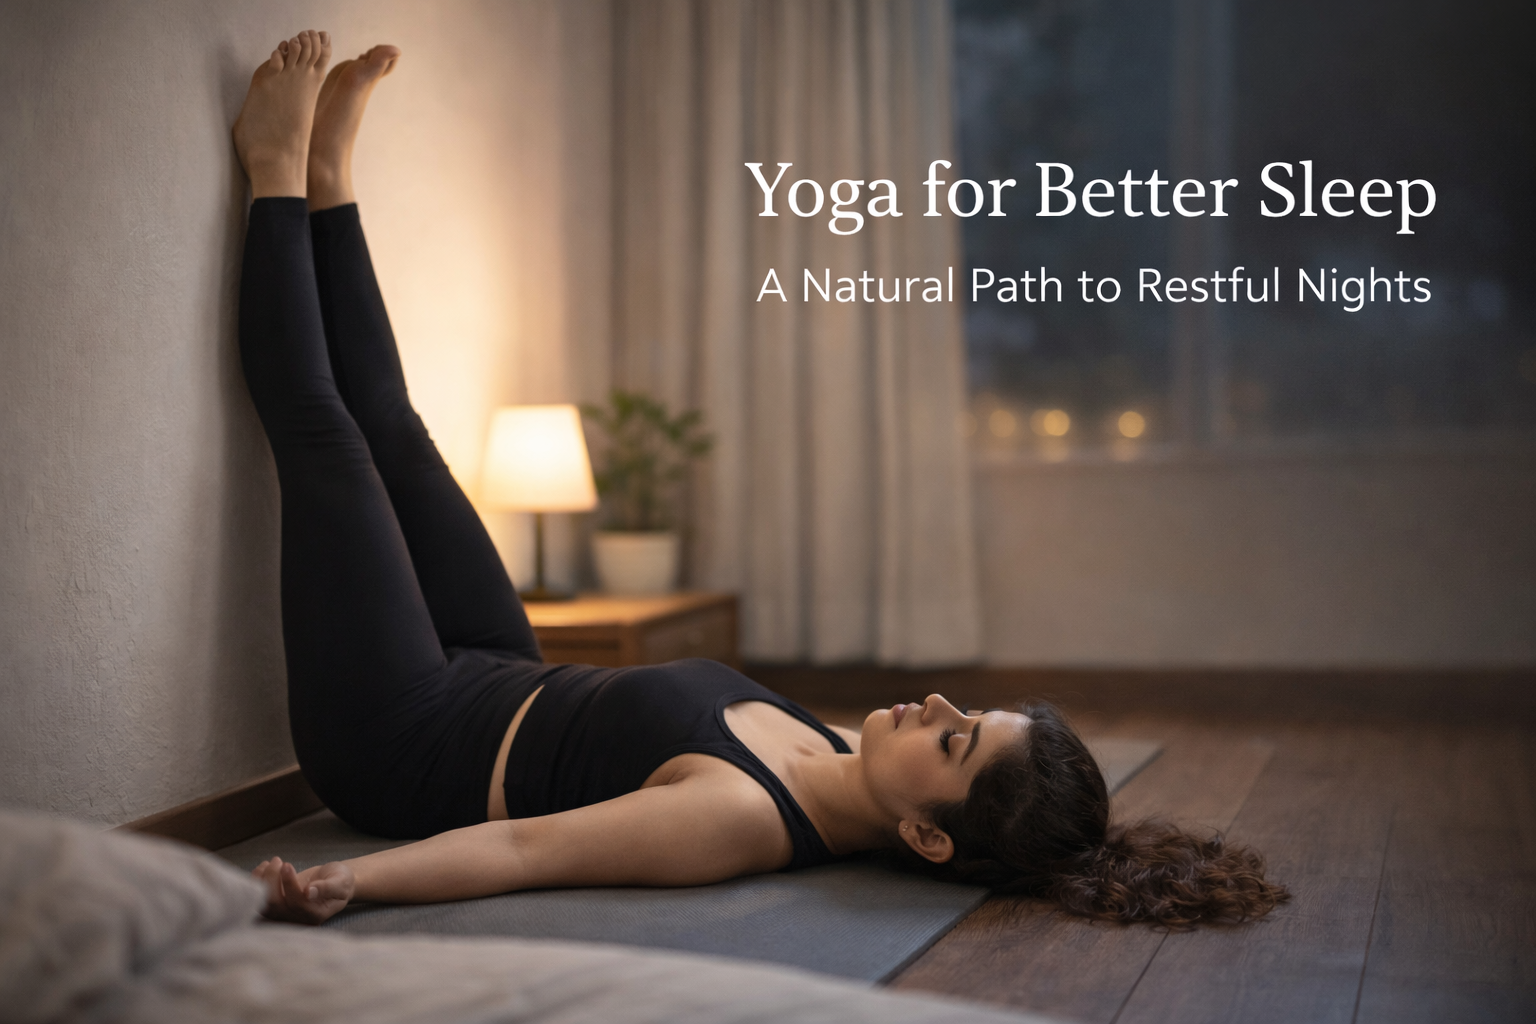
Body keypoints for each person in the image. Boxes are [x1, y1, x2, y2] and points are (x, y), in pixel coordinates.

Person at [233, 31, 1289, 930]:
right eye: (963, 710)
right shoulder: (842, 750)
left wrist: (350, 881)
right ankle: (330, 185)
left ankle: (273, 169)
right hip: (501, 670)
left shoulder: (736, 819)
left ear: (925, 836)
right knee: (401, 434)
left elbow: (523, 849)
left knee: (327, 438)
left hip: (402, 739)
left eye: (953, 739)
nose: (934, 702)